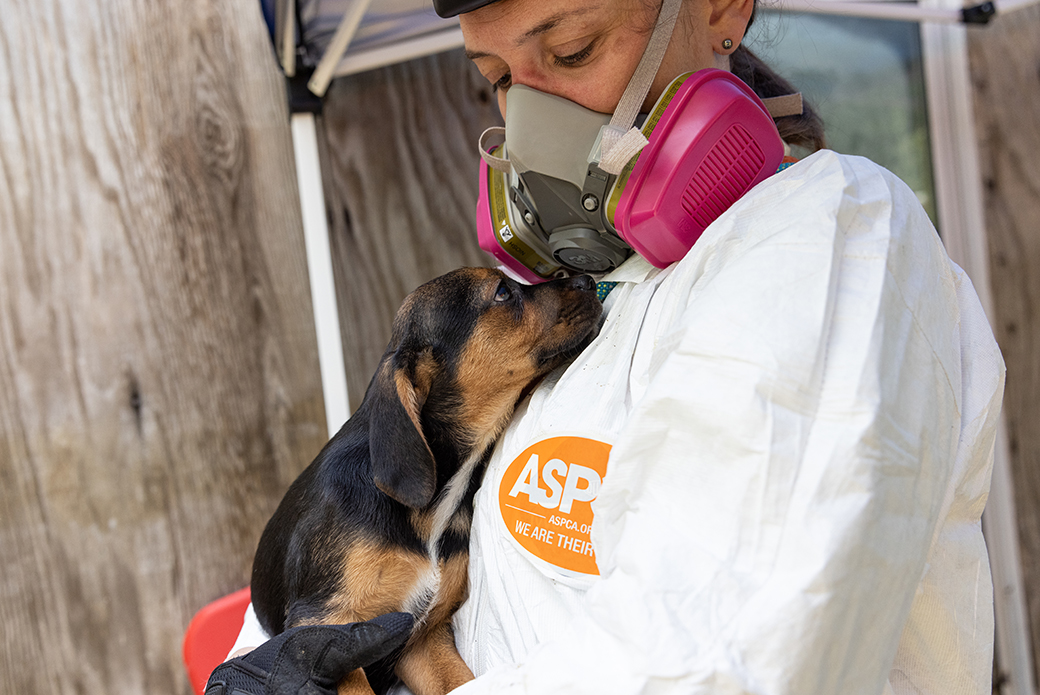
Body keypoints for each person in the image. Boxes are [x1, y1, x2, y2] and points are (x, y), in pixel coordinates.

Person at [215, 0, 1004, 693]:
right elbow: (323, 588)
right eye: (496, 78)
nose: (528, 128)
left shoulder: (837, 242)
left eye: (570, 53)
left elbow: (714, 663)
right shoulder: (578, 311)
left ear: (722, 7)